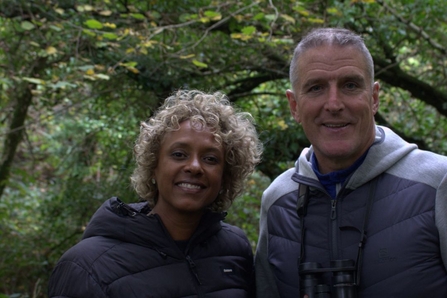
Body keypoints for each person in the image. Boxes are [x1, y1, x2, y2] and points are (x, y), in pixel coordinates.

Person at [255, 27, 447, 298]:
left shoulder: (437, 184)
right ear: (294, 106)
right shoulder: (277, 201)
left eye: (350, 85)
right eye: (316, 88)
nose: (333, 104)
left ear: (374, 97)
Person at [49, 89, 262, 298]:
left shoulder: (235, 250)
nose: (195, 167)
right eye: (179, 154)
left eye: (210, 159)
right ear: (154, 166)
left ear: (226, 175)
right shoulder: (86, 265)